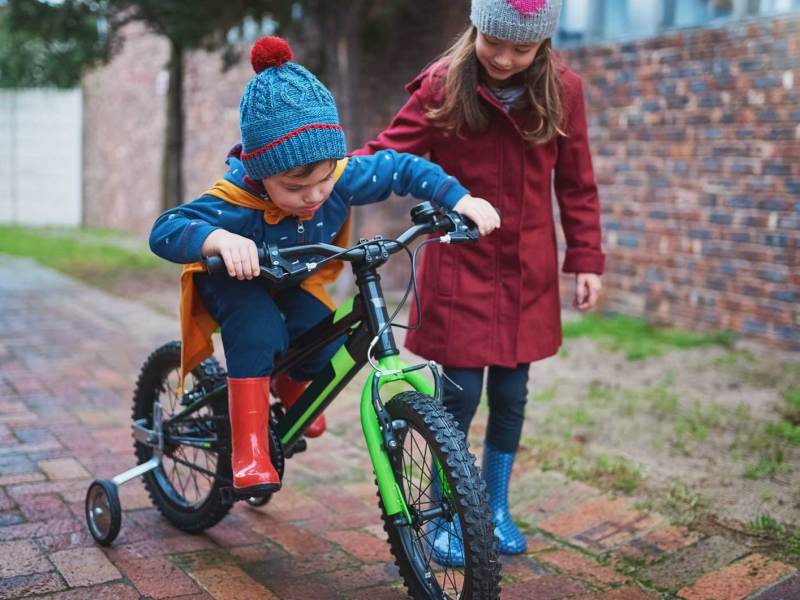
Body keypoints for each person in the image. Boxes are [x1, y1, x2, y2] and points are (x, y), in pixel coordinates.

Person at [148, 36, 500, 497]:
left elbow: (402, 168)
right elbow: (166, 229)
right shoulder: (235, 200)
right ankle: (249, 447)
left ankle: (292, 394)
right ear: (261, 174)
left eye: (324, 180)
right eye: (296, 188)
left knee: (322, 330)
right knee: (258, 330)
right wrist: (217, 239)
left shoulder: (335, 176)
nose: (315, 196)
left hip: (291, 280)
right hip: (236, 284)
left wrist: (459, 198)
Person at [353, 0, 604, 561]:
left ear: (542, 43)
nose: (506, 58)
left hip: (525, 269)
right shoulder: (443, 86)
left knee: (511, 396)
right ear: (477, 26)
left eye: (522, 48)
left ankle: (492, 506)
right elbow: (387, 153)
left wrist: (586, 258)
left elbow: (578, 184)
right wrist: (321, 179)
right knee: (458, 396)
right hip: (459, 267)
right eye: (495, 42)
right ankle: (445, 513)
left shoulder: (564, 92)